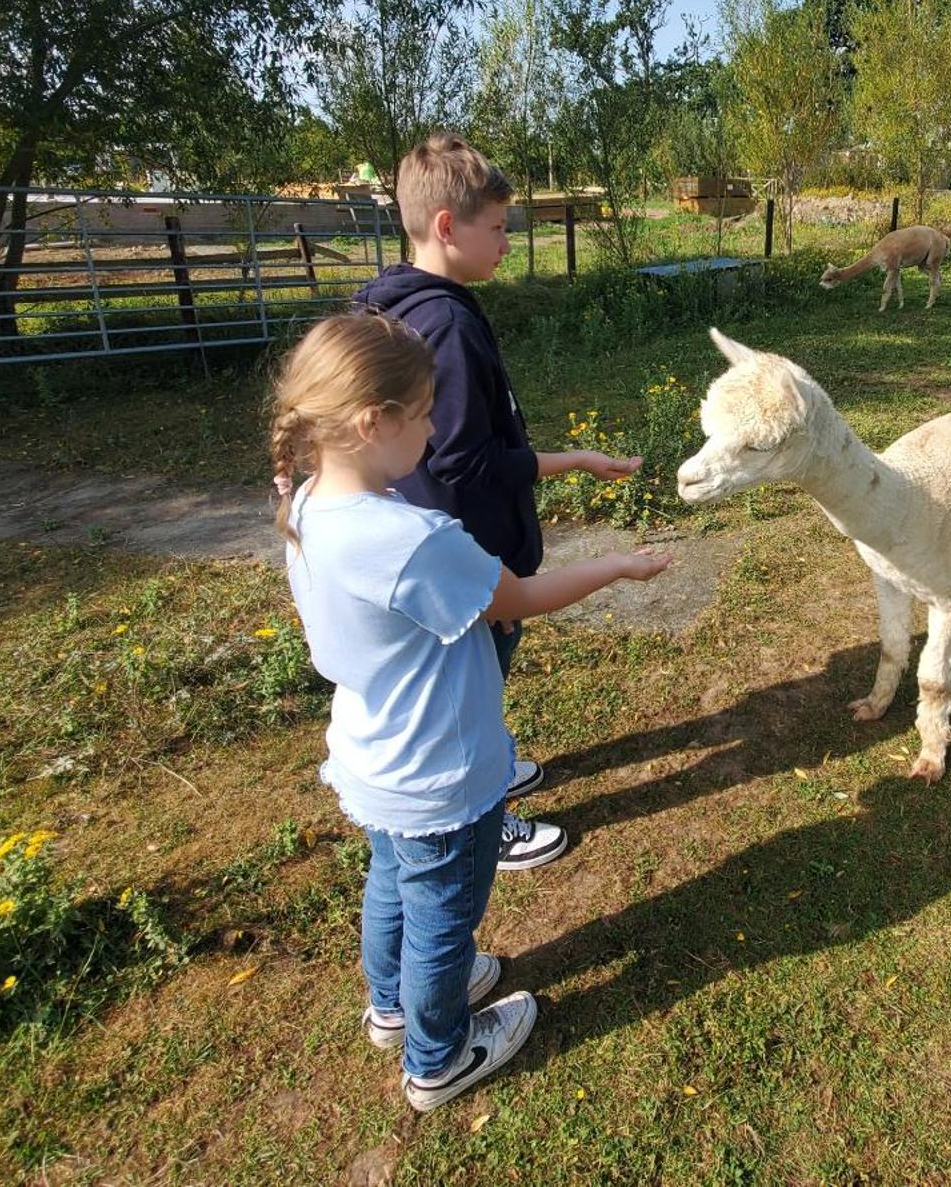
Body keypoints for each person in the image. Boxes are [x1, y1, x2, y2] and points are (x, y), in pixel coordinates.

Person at [270, 312, 669, 1109]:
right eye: (420, 415)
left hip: (373, 755)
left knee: (393, 879)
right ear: (370, 422)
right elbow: (516, 598)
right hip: (439, 774)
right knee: (444, 915)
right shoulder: (410, 538)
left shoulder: (308, 499)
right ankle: (438, 1053)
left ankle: (392, 1005)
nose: (430, 430)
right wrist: (618, 566)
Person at [355, 131, 640, 871]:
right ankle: (488, 815)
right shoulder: (443, 323)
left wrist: (574, 459)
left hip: (450, 557)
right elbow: (462, 461)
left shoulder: (406, 304)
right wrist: (557, 470)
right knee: (467, 702)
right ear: (448, 227)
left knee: (471, 696)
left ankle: (491, 767)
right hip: (471, 561)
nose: (508, 243)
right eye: (499, 228)